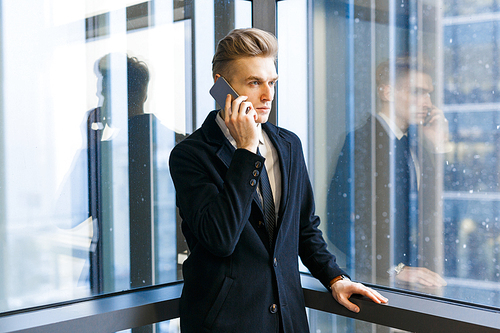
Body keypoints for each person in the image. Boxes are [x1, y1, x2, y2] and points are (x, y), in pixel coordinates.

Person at [169, 28, 387, 333]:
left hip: (288, 319)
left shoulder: (288, 145)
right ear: (222, 87)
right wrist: (246, 150)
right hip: (223, 323)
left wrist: (335, 278)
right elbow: (220, 238)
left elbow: (304, 227)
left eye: (272, 82)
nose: (267, 95)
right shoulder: (190, 155)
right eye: (254, 82)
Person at [328, 55, 448, 289]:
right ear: (387, 93)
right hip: (376, 287)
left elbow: (433, 209)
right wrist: (393, 268)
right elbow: (339, 222)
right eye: (417, 92)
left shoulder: (416, 143)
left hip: (421, 284)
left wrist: (438, 146)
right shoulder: (363, 141)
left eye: (429, 93)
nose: (428, 102)